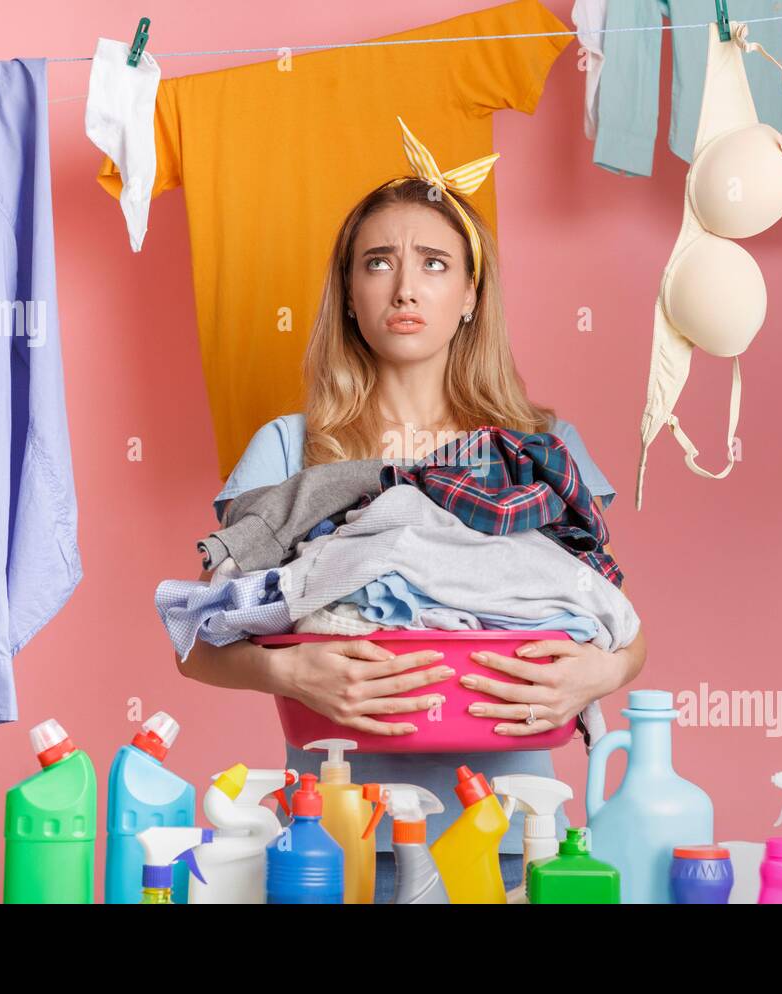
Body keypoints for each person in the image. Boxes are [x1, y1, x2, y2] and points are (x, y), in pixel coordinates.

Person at [175, 121, 646, 901]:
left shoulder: (538, 449)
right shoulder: (290, 450)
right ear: (350, 296)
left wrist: (598, 672)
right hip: (331, 845)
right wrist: (283, 668)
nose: (405, 287)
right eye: (378, 263)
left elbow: (618, 620)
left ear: (469, 296)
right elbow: (197, 635)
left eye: (434, 264)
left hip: (506, 840)